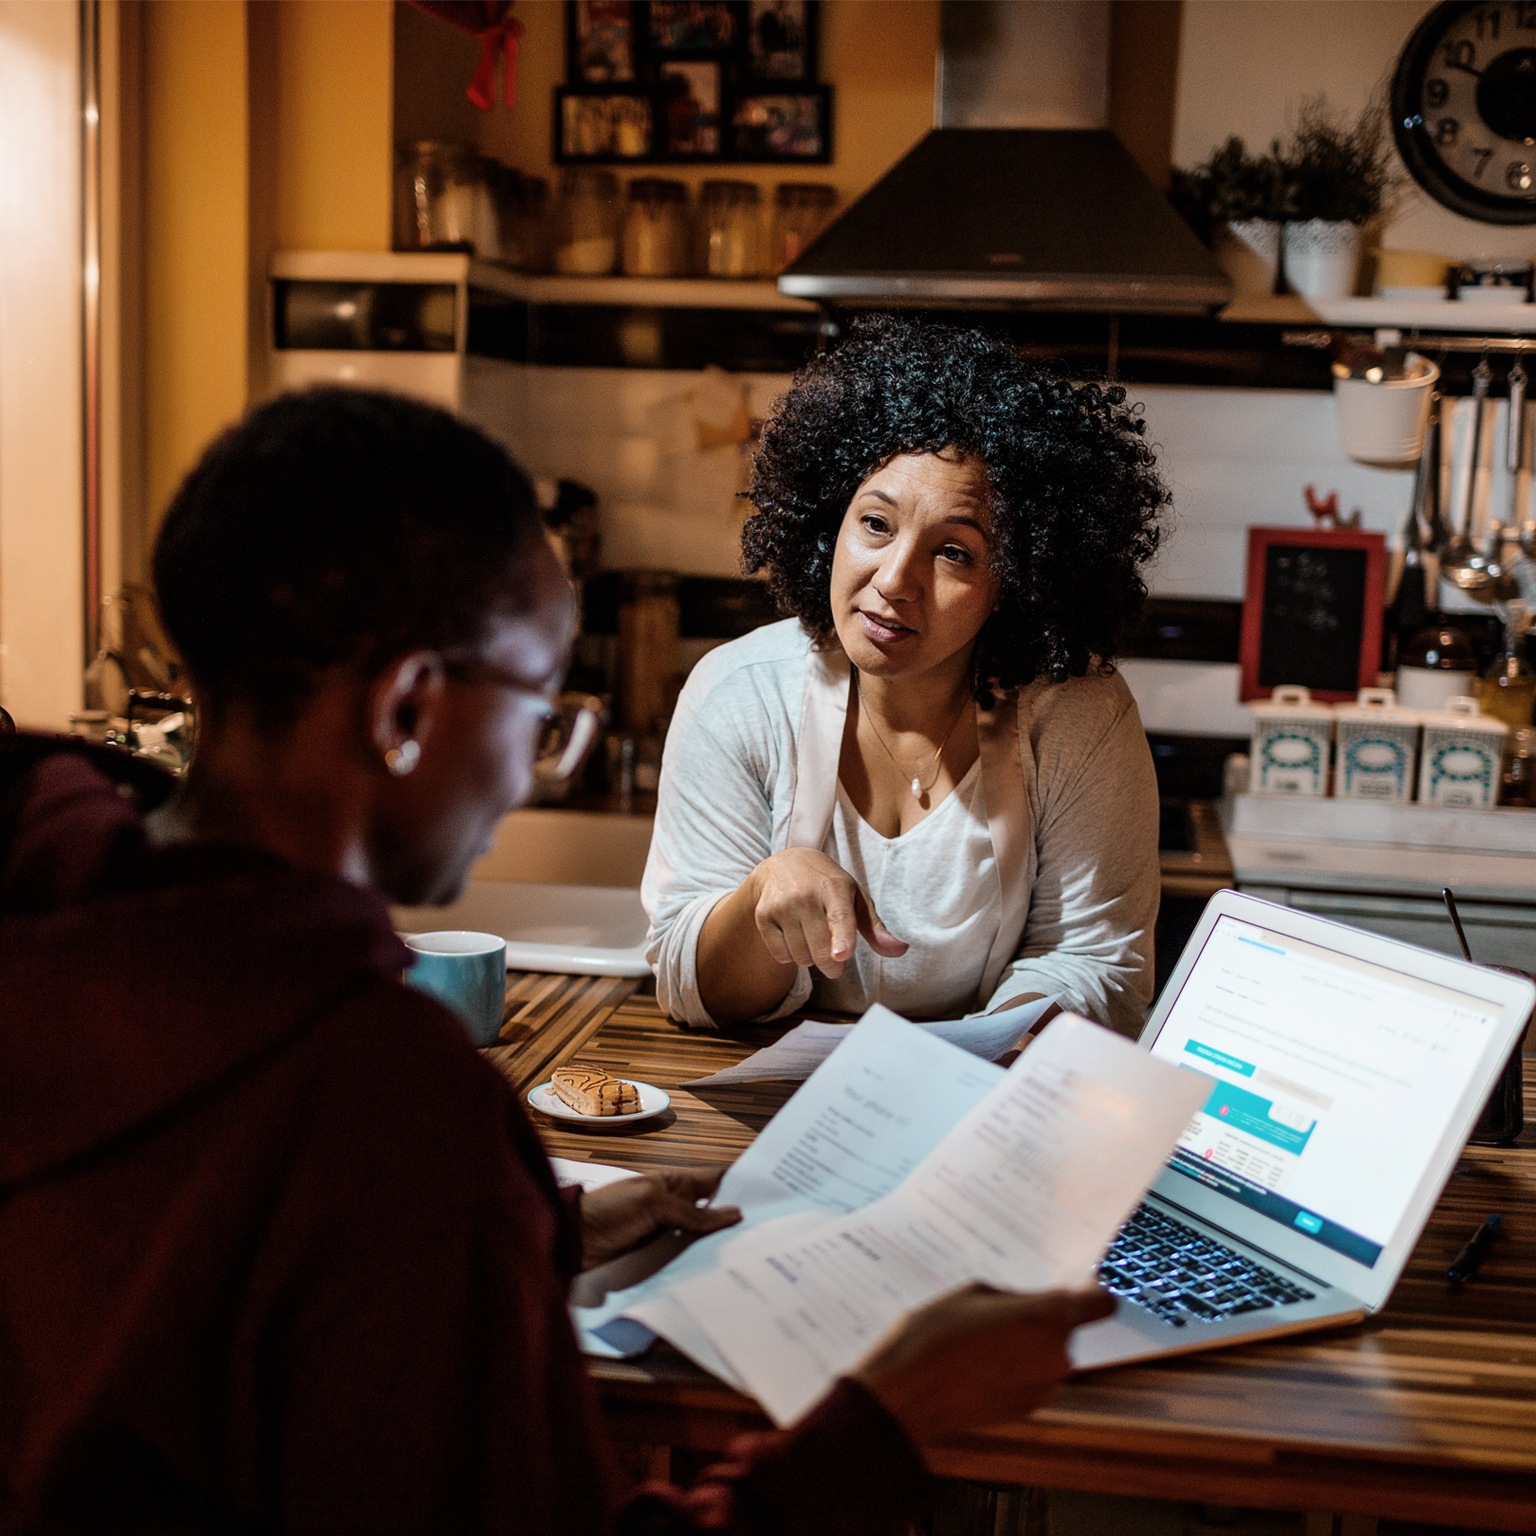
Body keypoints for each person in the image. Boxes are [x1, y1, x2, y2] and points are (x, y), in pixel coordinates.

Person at [0, 386, 1110, 1536]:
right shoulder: (392, 1113)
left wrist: (531, 1234)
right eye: (538, 704)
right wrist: (887, 1425)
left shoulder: (50, 915)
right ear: (405, 710)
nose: (536, 765)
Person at [644, 315, 1167, 1036]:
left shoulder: (1079, 713)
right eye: (876, 525)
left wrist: (963, 1055)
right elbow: (687, 985)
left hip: (987, 1085)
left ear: (1016, 583)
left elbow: (1095, 963)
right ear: (831, 521)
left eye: (954, 552)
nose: (894, 580)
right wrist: (760, 902)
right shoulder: (739, 692)